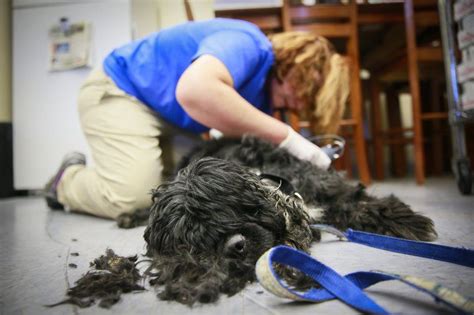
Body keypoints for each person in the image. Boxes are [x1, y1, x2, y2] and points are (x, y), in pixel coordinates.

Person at [45, 18, 349, 219]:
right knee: (133, 199)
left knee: (190, 191)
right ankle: (66, 181)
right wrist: (288, 137)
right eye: (307, 89)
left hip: (172, 119)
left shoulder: (265, 101)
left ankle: (117, 169)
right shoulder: (250, 43)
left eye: (309, 102)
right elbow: (195, 90)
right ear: (296, 61)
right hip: (123, 90)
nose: (301, 103)